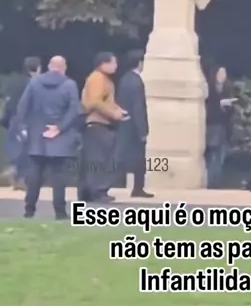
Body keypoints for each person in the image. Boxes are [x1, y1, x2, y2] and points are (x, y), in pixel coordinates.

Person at [16, 56, 80, 220]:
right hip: (60, 137)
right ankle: (60, 212)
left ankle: (29, 210)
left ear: (49, 66)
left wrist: (23, 127)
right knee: (59, 177)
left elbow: (23, 106)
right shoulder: (69, 85)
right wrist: (60, 128)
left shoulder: (34, 83)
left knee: (34, 176)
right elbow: (74, 110)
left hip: (37, 135)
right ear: (64, 68)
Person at [80, 52, 126, 203]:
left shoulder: (104, 79)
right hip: (97, 123)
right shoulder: (97, 78)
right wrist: (113, 114)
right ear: (103, 64)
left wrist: (118, 109)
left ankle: (94, 190)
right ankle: (96, 191)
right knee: (98, 160)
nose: (115, 66)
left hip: (102, 123)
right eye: (113, 63)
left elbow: (107, 100)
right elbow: (95, 102)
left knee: (102, 158)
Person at [115, 50, 152, 199]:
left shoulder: (124, 79)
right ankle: (138, 188)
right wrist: (142, 130)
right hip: (134, 127)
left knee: (123, 156)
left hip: (125, 124)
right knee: (139, 159)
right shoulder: (137, 81)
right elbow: (138, 107)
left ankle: (128, 185)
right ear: (139, 63)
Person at [1, 56, 42, 190]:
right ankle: (19, 177)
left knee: (16, 148)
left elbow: (8, 102)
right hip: (27, 120)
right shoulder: (35, 84)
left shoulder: (15, 83)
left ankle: (13, 170)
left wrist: (5, 119)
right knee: (27, 149)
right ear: (37, 68)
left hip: (13, 119)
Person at [205, 66, 235, 188]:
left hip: (224, 126)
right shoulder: (210, 88)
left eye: (224, 73)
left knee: (221, 155)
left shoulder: (228, 88)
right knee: (213, 154)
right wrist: (219, 104)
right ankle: (211, 182)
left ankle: (216, 181)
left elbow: (231, 111)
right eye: (220, 73)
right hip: (213, 124)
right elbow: (208, 106)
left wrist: (229, 106)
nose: (222, 75)